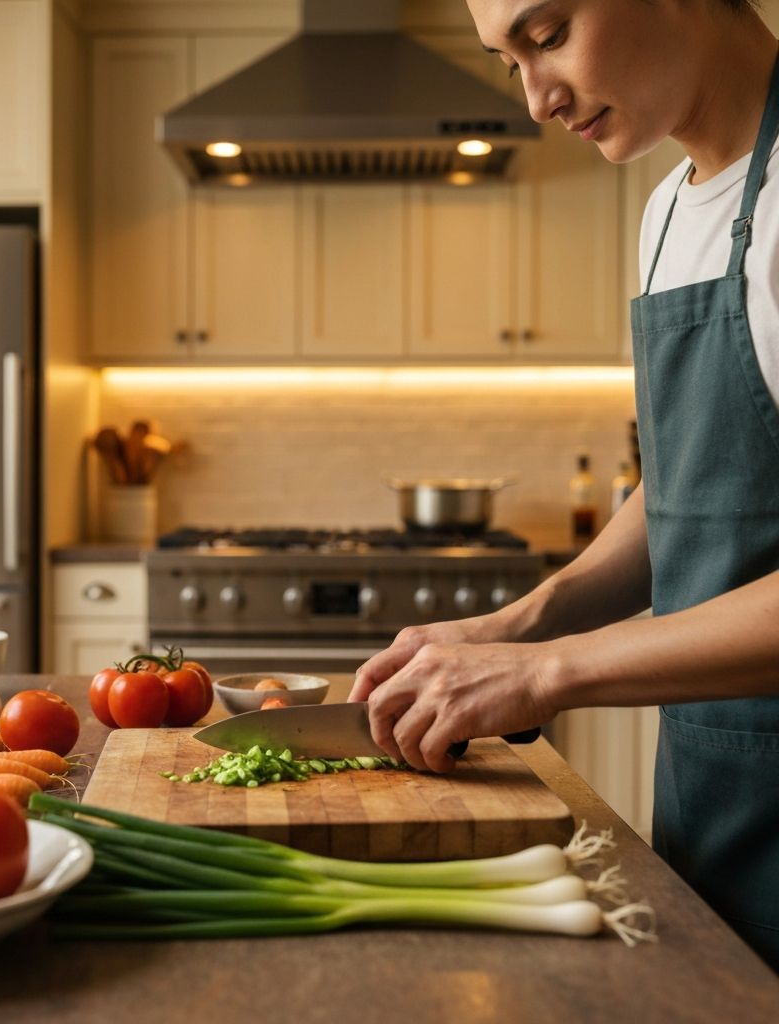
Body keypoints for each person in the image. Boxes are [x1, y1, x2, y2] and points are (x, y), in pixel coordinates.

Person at [351, 0, 779, 970]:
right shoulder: (666, 214)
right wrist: (520, 623)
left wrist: (547, 672)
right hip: (715, 805)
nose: (537, 99)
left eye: (547, 35)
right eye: (510, 63)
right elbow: (684, 487)